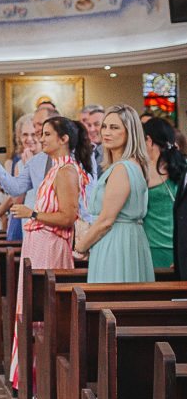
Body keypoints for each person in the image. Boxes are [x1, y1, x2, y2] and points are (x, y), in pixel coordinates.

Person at [8, 117, 91, 388]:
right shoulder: (55, 169)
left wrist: (31, 213)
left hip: (51, 247)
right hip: (38, 244)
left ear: (64, 139)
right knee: (31, 309)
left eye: (46, 134)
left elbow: (68, 216)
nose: (41, 139)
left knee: (42, 313)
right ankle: (31, 381)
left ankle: (41, 381)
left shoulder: (67, 171)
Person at [75, 105, 154, 282]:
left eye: (114, 127)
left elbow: (106, 221)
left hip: (116, 244)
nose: (106, 133)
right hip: (128, 240)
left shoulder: (122, 169)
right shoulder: (133, 165)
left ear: (130, 132)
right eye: (105, 126)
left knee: (110, 302)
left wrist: (81, 246)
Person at [142, 118, 186, 269]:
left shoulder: (144, 171)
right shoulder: (182, 166)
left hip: (154, 246)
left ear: (148, 140)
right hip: (180, 245)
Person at [3, 114, 40, 242]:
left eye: (33, 134)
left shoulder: (49, 159)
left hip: (44, 220)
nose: (29, 139)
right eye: (25, 134)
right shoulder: (19, 163)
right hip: (26, 220)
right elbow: (17, 200)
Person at [80, 104, 105, 173]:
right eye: (89, 125)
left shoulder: (113, 152)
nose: (91, 129)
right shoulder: (87, 150)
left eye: (97, 124)